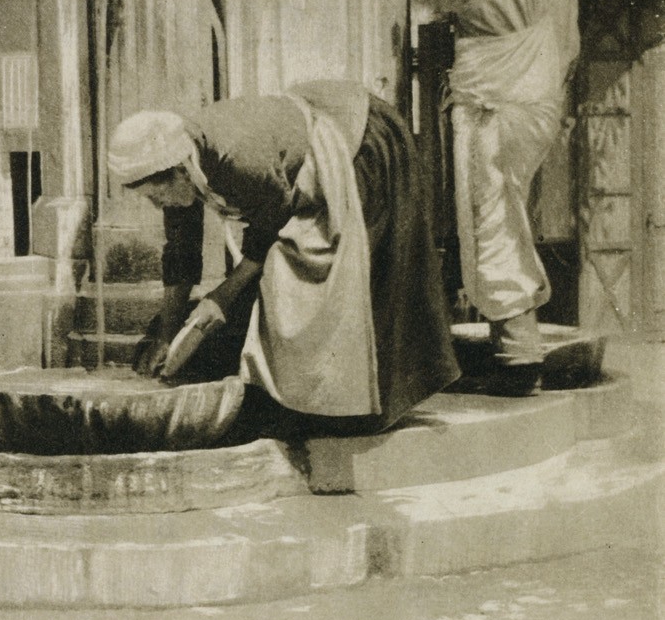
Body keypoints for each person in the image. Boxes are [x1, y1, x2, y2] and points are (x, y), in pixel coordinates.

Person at [107, 80, 459, 435]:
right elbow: (181, 252)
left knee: (303, 270)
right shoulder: (177, 166)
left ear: (180, 171)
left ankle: (349, 409)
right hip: (297, 156)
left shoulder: (236, 158)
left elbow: (268, 231)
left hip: (361, 137)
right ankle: (311, 397)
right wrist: (167, 335)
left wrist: (219, 301)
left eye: (156, 196)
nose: (156, 205)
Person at [403, 0, 580, 395]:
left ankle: (518, 353)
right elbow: (568, 51)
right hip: (542, 107)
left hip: (494, 106)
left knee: (493, 219)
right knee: (509, 209)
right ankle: (517, 340)